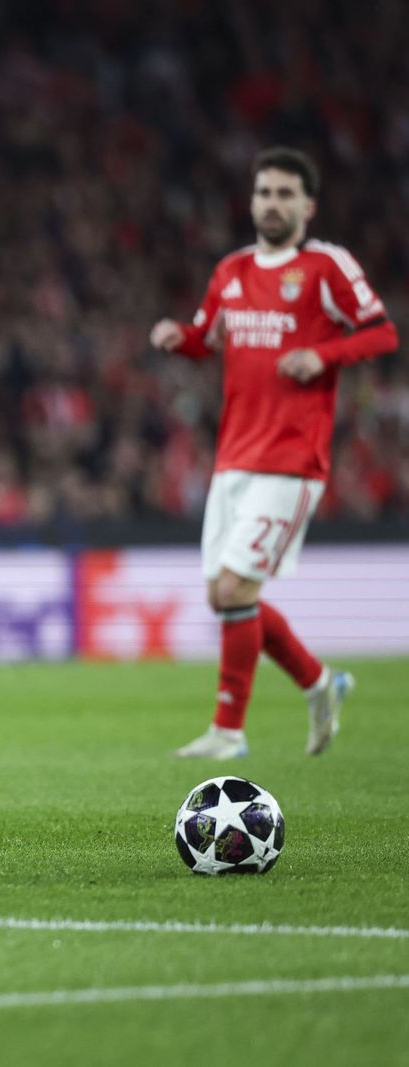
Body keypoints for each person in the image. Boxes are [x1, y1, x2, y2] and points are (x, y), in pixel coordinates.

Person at [150, 146, 397, 760]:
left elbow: (382, 330)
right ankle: (320, 683)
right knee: (225, 595)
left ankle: (228, 731)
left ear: (308, 206)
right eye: (265, 192)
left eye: (286, 194)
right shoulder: (231, 269)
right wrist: (176, 338)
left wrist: (324, 355)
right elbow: (206, 339)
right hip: (234, 456)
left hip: (292, 458)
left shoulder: (326, 266)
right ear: (253, 199)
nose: (273, 203)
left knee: (234, 588)